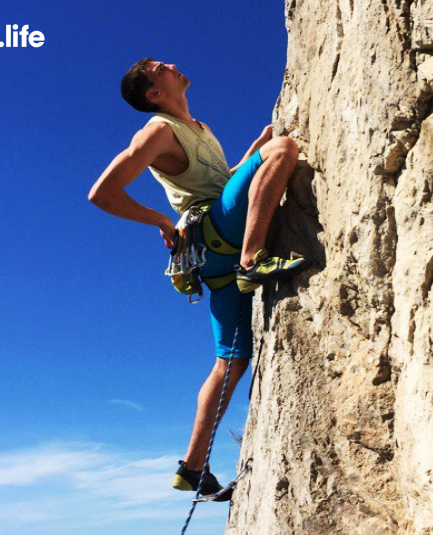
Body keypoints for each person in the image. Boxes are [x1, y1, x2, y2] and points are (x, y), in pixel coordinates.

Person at [88, 58, 309, 500]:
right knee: (284, 150)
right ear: (154, 92)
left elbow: (218, 185)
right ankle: (252, 258)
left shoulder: (199, 127)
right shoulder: (157, 129)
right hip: (214, 233)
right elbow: (102, 193)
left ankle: (191, 467)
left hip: (211, 250)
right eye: (158, 67)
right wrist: (160, 222)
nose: (170, 64)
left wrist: (250, 153)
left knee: (231, 360)